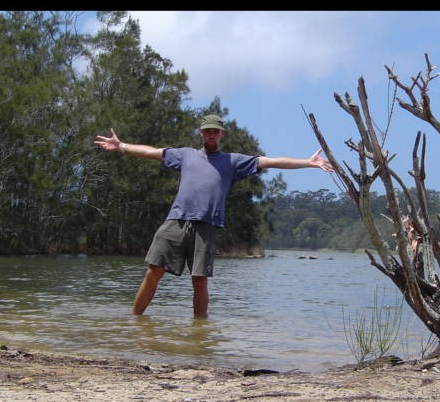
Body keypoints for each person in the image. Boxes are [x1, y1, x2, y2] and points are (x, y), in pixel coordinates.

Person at [94, 114, 333, 318]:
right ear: (201, 133)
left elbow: (270, 161)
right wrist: (122, 146)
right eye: (207, 131)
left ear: (221, 135)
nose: (210, 135)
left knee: (199, 281)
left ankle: (200, 334)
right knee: (153, 271)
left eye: (215, 132)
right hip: (176, 221)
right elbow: (151, 152)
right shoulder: (185, 155)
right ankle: (134, 322)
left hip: (206, 228)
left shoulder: (233, 161)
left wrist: (308, 163)